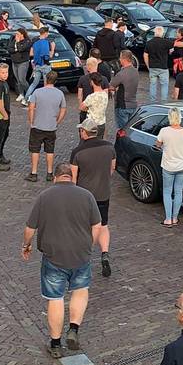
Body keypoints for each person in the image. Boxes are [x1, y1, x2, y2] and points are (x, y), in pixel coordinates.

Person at [21, 162, 101, 359]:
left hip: (54, 256)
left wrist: (26, 245)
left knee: (55, 299)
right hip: (80, 255)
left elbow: (30, 228)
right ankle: (73, 329)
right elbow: (97, 225)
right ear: (71, 176)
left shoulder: (45, 197)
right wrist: (90, 245)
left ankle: (55, 344)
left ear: (56, 176)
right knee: (80, 292)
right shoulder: (86, 195)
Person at [70, 118, 117, 278]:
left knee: (85, 227)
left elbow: (73, 178)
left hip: (85, 196)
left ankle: (84, 256)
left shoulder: (77, 152)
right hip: (104, 194)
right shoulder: (109, 147)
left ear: (84, 132)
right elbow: (112, 169)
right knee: (103, 225)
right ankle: (104, 254)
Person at [27, 70, 67, 182]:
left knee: (35, 150)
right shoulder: (59, 94)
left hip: (38, 126)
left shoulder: (37, 92)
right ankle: (49, 173)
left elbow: (31, 108)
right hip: (51, 127)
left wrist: (31, 121)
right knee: (50, 150)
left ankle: (34, 172)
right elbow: (63, 109)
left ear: (45, 79)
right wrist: (57, 121)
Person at [155, 108, 183, 227]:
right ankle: (175, 218)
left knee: (167, 192)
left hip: (168, 166)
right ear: (180, 117)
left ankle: (168, 219)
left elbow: (158, 144)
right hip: (182, 165)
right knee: (178, 191)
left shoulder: (164, 131)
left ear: (169, 117)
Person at [108, 50, 140, 130]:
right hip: (133, 105)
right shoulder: (136, 71)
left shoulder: (121, 74)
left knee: (122, 131)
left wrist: (115, 88)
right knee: (130, 130)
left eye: (120, 57)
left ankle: (121, 142)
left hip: (122, 106)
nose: (119, 59)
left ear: (124, 59)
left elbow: (111, 86)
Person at [24, 26, 54, 104]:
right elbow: (47, 56)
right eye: (48, 33)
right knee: (46, 84)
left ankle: (26, 99)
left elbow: (31, 54)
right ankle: (45, 101)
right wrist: (53, 49)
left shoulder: (35, 42)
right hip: (45, 66)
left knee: (34, 84)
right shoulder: (45, 42)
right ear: (46, 33)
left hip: (37, 66)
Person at [145, 26, 173, 102]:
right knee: (164, 85)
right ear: (162, 33)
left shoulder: (149, 43)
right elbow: (172, 49)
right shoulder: (166, 42)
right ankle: (163, 102)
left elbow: (145, 55)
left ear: (154, 33)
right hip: (163, 67)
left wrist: (148, 66)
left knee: (153, 85)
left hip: (153, 67)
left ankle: (152, 102)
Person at [81, 73, 108, 138]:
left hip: (91, 125)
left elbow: (82, 107)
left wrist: (87, 108)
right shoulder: (105, 94)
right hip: (102, 123)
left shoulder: (91, 97)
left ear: (92, 82)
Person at [10, 27, 31, 100]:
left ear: (22, 34)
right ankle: (21, 94)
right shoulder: (14, 40)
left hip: (23, 62)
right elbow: (10, 49)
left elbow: (21, 49)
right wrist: (16, 49)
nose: (16, 35)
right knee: (18, 80)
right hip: (14, 62)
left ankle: (29, 94)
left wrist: (18, 43)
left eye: (18, 34)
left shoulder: (27, 41)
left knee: (22, 79)